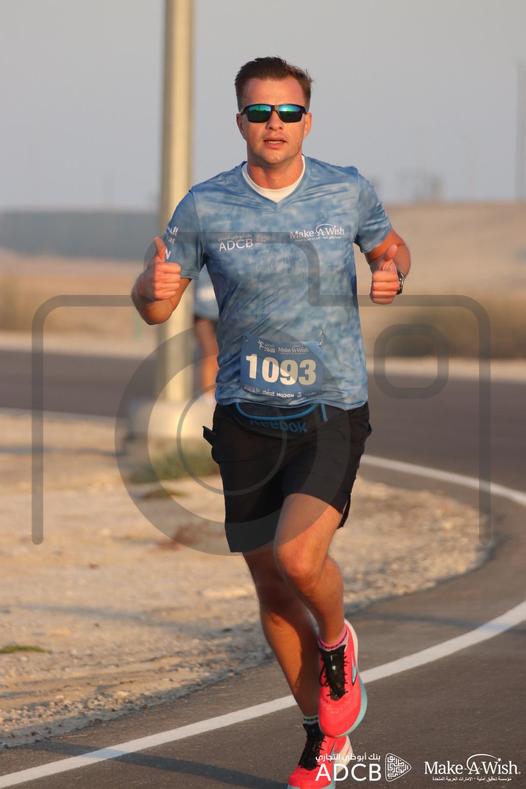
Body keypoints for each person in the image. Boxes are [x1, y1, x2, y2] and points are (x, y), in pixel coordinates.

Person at [131, 56, 411, 789]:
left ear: (307, 121)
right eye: (260, 113)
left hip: (330, 407)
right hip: (245, 418)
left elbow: (388, 244)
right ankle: (323, 738)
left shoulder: (345, 189)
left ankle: (338, 643)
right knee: (272, 589)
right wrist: (150, 287)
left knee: (298, 560)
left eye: (288, 112)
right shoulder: (206, 204)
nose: (274, 124)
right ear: (241, 122)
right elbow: (157, 304)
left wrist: (390, 268)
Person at [193, 267, 219, 400]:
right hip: (202, 315)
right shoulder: (198, 263)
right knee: (209, 355)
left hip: (225, 314)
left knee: (226, 357)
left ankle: (220, 392)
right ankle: (208, 396)